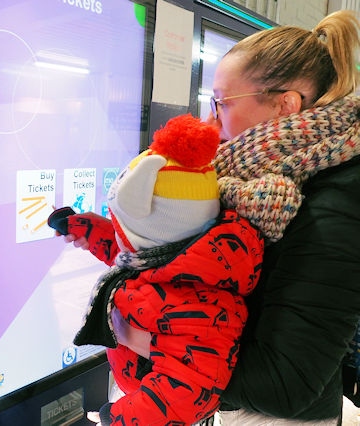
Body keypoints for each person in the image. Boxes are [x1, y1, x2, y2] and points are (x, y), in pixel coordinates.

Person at [65, 9, 360, 425]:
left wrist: (141, 337)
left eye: (220, 103)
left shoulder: (335, 202)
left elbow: (286, 384)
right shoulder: (254, 177)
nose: (209, 120)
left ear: (284, 105)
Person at [48, 114, 264, 426]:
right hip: (137, 394)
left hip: (145, 409)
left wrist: (120, 417)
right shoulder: (181, 253)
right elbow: (132, 257)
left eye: (123, 226)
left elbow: (184, 394)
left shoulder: (205, 310)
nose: (120, 235)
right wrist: (86, 228)